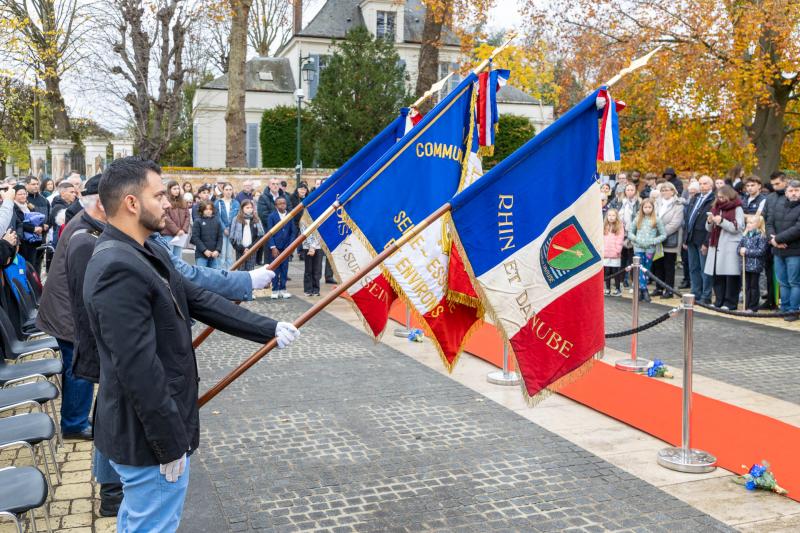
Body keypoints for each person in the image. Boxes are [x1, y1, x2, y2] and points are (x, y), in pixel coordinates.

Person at [83, 156, 299, 532]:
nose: (168, 204)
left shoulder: (145, 250)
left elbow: (197, 298)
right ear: (132, 203)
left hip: (150, 432)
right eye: (158, 196)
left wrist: (268, 328)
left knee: (138, 520)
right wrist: (168, 445)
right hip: (147, 440)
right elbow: (139, 371)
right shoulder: (117, 267)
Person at [35, 177, 102, 443]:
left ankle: (76, 417)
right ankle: (74, 423)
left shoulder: (85, 221)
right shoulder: (84, 229)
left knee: (76, 367)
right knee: (78, 368)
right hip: (67, 311)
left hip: (64, 308)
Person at [704, 185, 744, 310]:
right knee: (717, 275)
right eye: (718, 197)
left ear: (729, 196)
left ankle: (730, 303)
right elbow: (709, 229)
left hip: (730, 245)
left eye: (722, 197)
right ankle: (718, 301)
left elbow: (738, 227)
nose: (720, 199)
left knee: (731, 276)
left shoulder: (737, 208)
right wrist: (710, 221)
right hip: (716, 245)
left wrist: (721, 221)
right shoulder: (715, 207)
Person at [766, 179, 800, 321]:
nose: (794, 193)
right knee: (782, 282)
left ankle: (794, 310)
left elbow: (798, 229)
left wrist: (777, 239)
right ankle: (784, 309)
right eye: (791, 191)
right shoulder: (778, 205)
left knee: (794, 282)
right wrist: (773, 240)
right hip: (778, 251)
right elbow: (769, 223)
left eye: (797, 190)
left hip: (795, 251)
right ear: (786, 193)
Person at [683, 175, 716, 304]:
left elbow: (712, 224)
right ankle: (695, 293)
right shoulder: (695, 197)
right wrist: (685, 238)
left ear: (711, 185)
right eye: (700, 183)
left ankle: (706, 295)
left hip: (703, 239)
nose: (702, 186)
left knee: (705, 269)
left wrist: (706, 242)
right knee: (693, 268)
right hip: (691, 238)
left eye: (705, 183)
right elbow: (688, 218)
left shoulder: (713, 199)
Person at [628, 198, 666, 302]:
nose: (647, 209)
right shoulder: (637, 219)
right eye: (645, 207)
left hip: (650, 249)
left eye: (649, 207)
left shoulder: (657, 220)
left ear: (653, 208)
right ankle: (644, 291)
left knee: (646, 269)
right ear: (642, 208)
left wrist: (653, 241)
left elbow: (663, 235)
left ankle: (642, 290)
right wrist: (636, 239)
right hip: (638, 248)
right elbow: (630, 233)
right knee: (639, 268)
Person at [651, 182, 684, 298]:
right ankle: (659, 288)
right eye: (663, 190)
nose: (664, 192)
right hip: (656, 239)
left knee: (668, 266)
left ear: (673, 191)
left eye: (667, 190)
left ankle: (669, 290)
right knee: (658, 264)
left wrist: (661, 233)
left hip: (670, 239)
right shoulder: (657, 203)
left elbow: (675, 224)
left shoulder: (678, 205)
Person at [761, 171, 788, 309]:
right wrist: (771, 238)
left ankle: (785, 304)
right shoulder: (770, 198)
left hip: (787, 242)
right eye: (773, 184)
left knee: (787, 277)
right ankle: (771, 300)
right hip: (771, 241)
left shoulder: (791, 196)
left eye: (777, 183)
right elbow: (766, 219)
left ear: (785, 181)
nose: (775, 187)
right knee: (770, 273)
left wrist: (780, 239)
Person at [267, 197, 297, 298]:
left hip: (286, 247)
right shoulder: (272, 216)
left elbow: (293, 232)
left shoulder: (290, 216)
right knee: (275, 268)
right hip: (276, 247)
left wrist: (290, 245)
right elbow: (269, 233)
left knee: (284, 268)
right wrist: (273, 247)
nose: (282, 205)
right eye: (280, 204)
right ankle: (275, 289)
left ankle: (283, 289)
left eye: (284, 203)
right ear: (276, 206)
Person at [739, 214, 768, 312]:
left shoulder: (761, 236)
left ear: (758, 224)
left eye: (751, 223)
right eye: (747, 222)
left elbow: (761, 251)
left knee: (753, 286)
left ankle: (753, 306)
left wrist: (746, 251)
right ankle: (746, 305)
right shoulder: (745, 235)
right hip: (745, 265)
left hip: (755, 266)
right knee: (746, 286)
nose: (748, 224)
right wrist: (740, 250)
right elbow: (739, 247)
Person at [13, 184, 45, 266]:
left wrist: (40, 227)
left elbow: (37, 219)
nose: (23, 196)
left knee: (32, 265)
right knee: (24, 265)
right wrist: (33, 229)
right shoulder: (13, 207)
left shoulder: (29, 206)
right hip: (22, 242)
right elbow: (19, 223)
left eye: (24, 193)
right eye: (20, 194)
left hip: (33, 241)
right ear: (14, 195)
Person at [229, 200, 264, 272]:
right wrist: (242, 249)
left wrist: (251, 248)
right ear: (242, 208)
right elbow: (232, 237)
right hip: (240, 249)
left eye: (251, 207)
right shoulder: (236, 219)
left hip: (252, 249)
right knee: (241, 271)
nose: (250, 209)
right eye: (247, 208)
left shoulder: (256, 219)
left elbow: (260, 236)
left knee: (250, 271)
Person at [617, 183, 639, 288]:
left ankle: (633, 281)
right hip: (622, 234)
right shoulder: (620, 202)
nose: (629, 192)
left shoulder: (639, 202)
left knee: (632, 259)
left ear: (635, 191)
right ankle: (621, 281)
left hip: (634, 234)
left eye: (632, 190)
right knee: (622, 259)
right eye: (628, 190)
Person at [215, 183, 240, 269]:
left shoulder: (236, 203)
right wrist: (224, 229)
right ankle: (221, 273)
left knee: (230, 255)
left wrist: (232, 229)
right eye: (226, 190)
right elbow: (217, 217)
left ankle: (229, 272)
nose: (228, 192)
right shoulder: (218, 203)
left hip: (232, 231)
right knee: (222, 254)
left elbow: (237, 217)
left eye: (230, 190)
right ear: (223, 191)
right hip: (221, 231)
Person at [191, 201, 223, 268]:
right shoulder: (197, 221)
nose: (208, 211)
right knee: (201, 273)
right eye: (206, 209)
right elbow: (195, 238)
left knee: (214, 273)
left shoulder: (217, 221)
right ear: (202, 210)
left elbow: (220, 237)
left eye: (210, 209)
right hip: (201, 255)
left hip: (214, 255)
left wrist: (217, 250)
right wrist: (204, 250)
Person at [162, 180, 190, 258]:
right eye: (174, 189)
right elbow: (166, 217)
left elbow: (187, 216)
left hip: (181, 234)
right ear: (169, 189)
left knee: (178, 257)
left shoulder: (183, 201)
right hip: (169, 234)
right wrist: (176, 230)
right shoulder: (165, 201)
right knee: (169, 257)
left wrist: (183, 230)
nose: (177, 191)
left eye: (178, 188)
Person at [603, 208, 625, 296]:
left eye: (613, 215)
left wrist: (617, 250)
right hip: (605, 253)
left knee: (616, 272)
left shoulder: (619, 227)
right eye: (609, 215)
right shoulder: (604, 226)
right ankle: (607, 288)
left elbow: (620, 239)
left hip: (615, 254)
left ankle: (617, 289)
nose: (611, 217)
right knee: (607, 272)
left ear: (616, 216)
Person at [301, 218, 323, 296]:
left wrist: (313, 246)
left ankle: (316, 289)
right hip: (307, 247)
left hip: (318, 246)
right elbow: (305, 233)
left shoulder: (319, 218)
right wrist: (311, 246)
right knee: (308, 270)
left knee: (317, 270)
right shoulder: (304, 219)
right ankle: (308, 290)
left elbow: (321, 233)